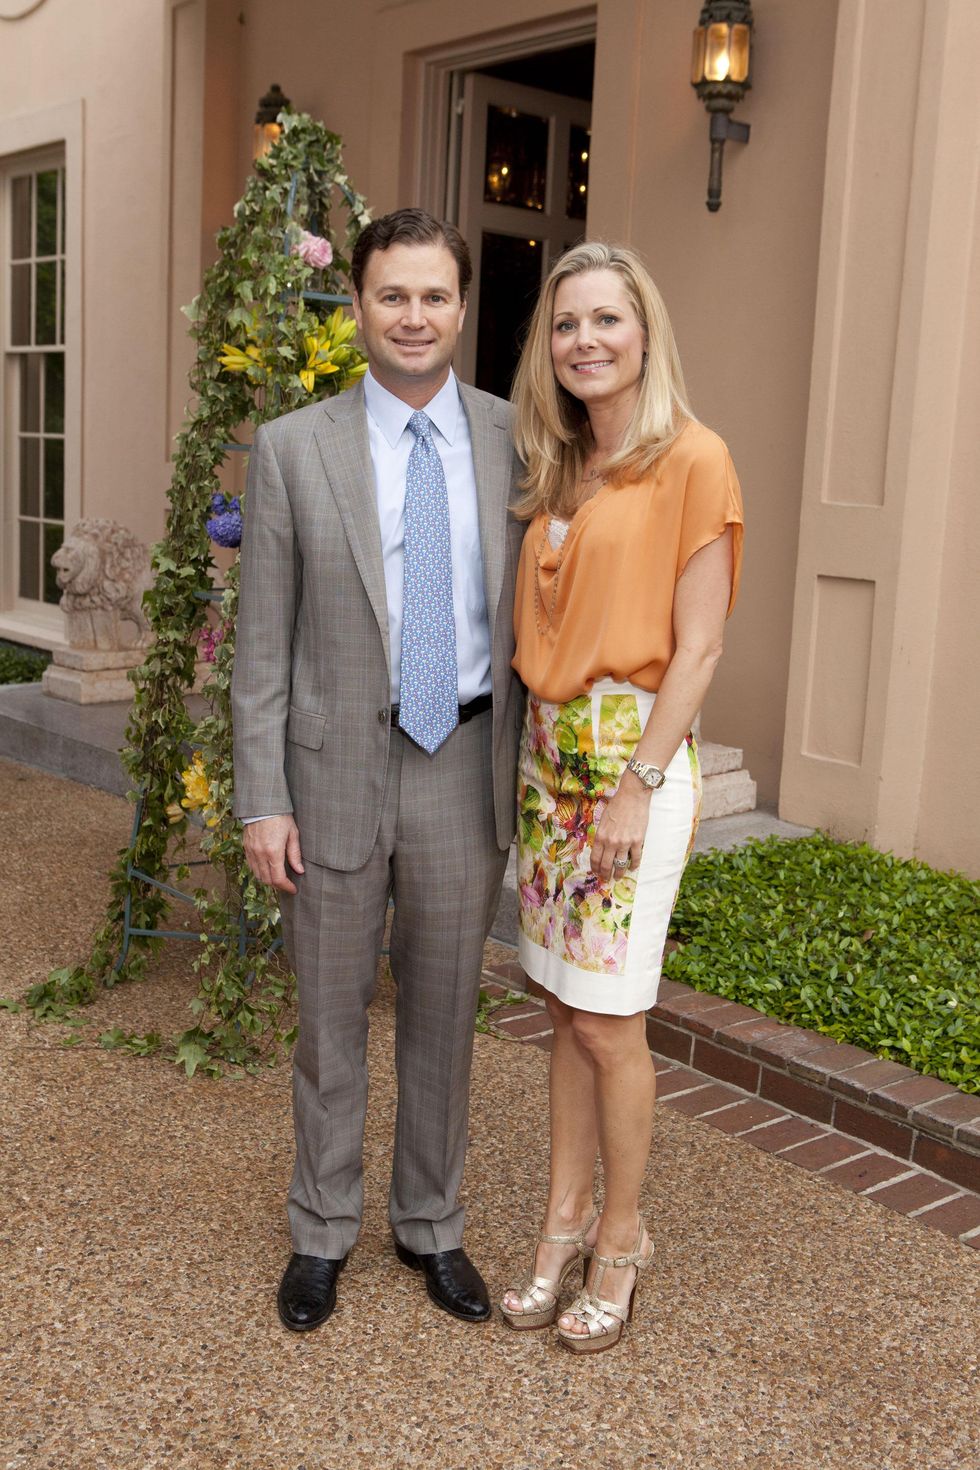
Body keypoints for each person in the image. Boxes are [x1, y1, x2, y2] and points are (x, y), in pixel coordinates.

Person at [232, 208, 524, 1332]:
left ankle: (431, 1225)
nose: (413, 316)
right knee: (329, 1014)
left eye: (433, 296)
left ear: (460, 308)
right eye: (391, 295)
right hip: (333, 772)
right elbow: (262, 643)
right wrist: (262, 795)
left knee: (448, 1012)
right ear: (355, 305)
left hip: (463, 759)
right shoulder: (293, 447)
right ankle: (320, 1229)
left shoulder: (515, 438)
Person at [499, 242, 743, 1353]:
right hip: (549, 768)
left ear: (644, 332)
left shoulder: (693, 459)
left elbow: (697, 650)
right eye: (564, 325)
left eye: (606, 319)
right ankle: (556, 1224)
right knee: (559, 1007)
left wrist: (642, 782)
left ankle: (621, 1237)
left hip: (630, 761)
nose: (584, 341)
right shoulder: (559, 468)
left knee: (610, 1021)